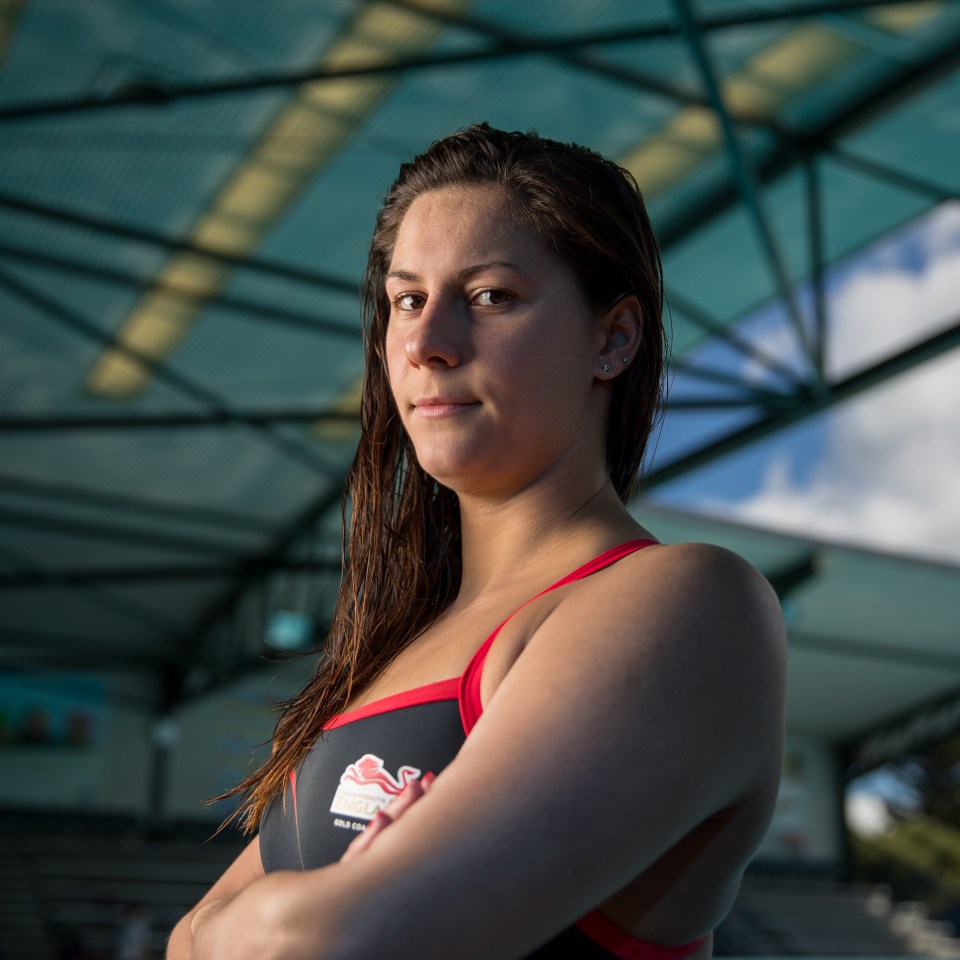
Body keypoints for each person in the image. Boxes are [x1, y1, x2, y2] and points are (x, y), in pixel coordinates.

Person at [168, 122, 786, 960]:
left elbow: (335, 941)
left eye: (492, 296)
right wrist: (281, 918)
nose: (427, 344)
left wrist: (279, 920)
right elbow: (184, 939)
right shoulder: (400, 646)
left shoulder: (684, 604)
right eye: (407, 300)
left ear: (614, 338)